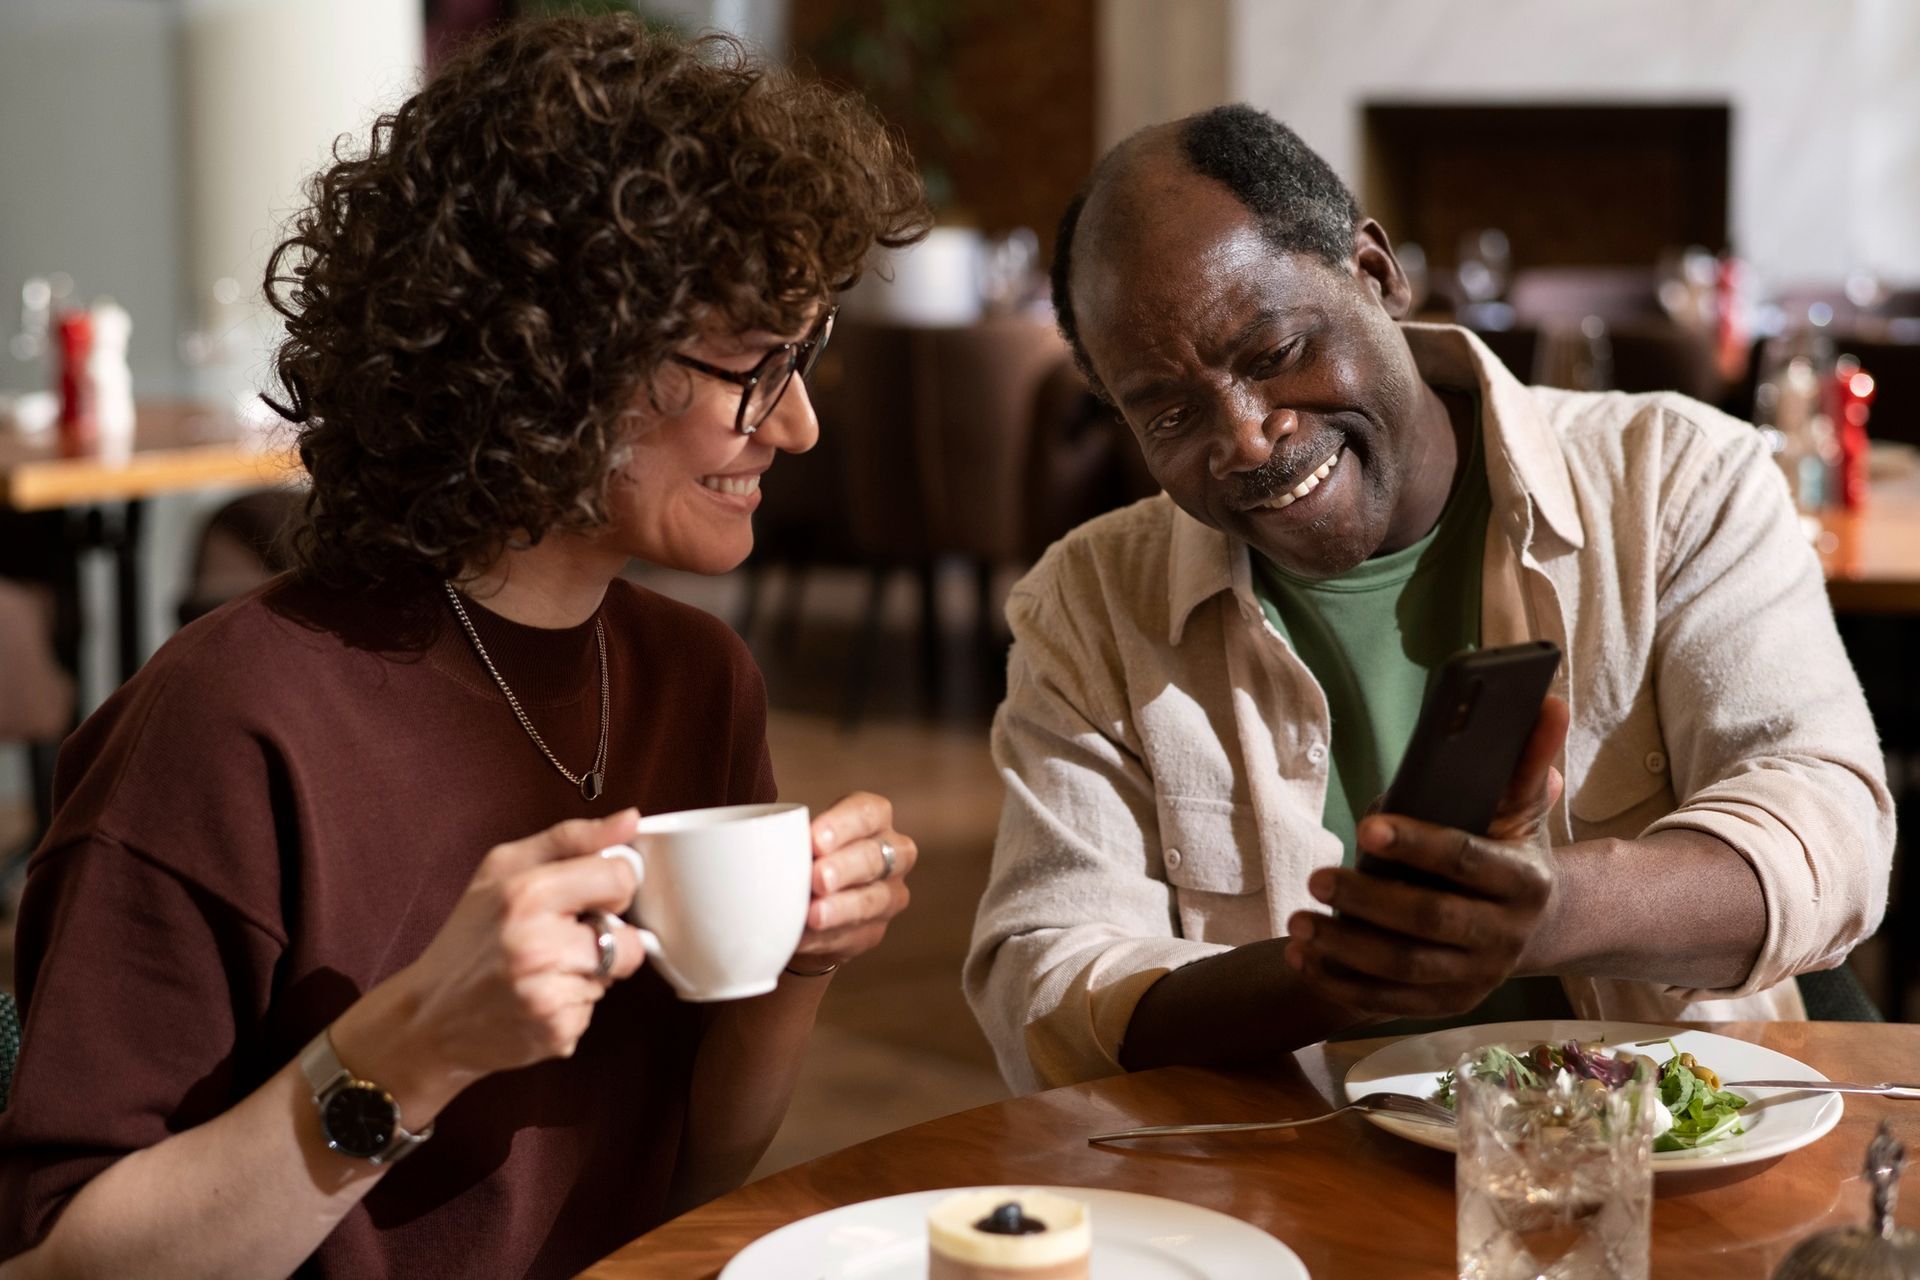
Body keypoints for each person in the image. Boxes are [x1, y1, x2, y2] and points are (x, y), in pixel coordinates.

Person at [0, 18, 929, 1277]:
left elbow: (683, 1178)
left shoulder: (698, 681)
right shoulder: (229, 722)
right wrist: (416, 1046)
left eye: (802, 360)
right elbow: (65, 1259)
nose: (802, 427)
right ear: (560, 356)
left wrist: (798, 963)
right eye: (756, 368)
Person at [965, 105, 1893, 1094]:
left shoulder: (1675, 479)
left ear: (1375, 274)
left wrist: (1553, 911)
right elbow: (1045, 983)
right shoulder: (1091, 603)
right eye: (1172, 412)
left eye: (1275, 353)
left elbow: (1827, 824)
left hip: (1670, 1176)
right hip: (1301, 1194)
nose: (1244, 437)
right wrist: (1339, 973)